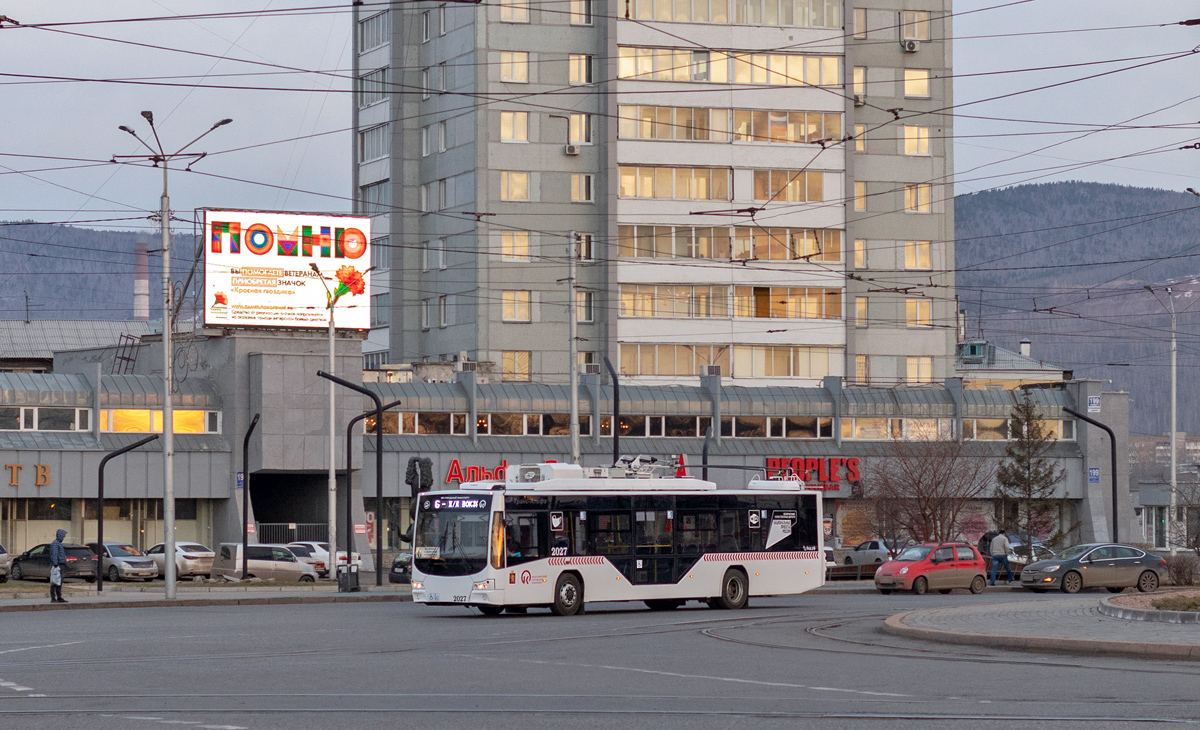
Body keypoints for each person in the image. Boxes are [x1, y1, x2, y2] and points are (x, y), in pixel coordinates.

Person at [48, 528, 68, 604]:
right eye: (63, 536)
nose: (64, 537)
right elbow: (54, 554)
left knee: (59, 581)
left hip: (60, 564)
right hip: (57, 565)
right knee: (54, 581)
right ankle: (53, 597)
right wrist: (55, 563)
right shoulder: (55, 544)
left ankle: (59, 596)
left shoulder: (58, 543)